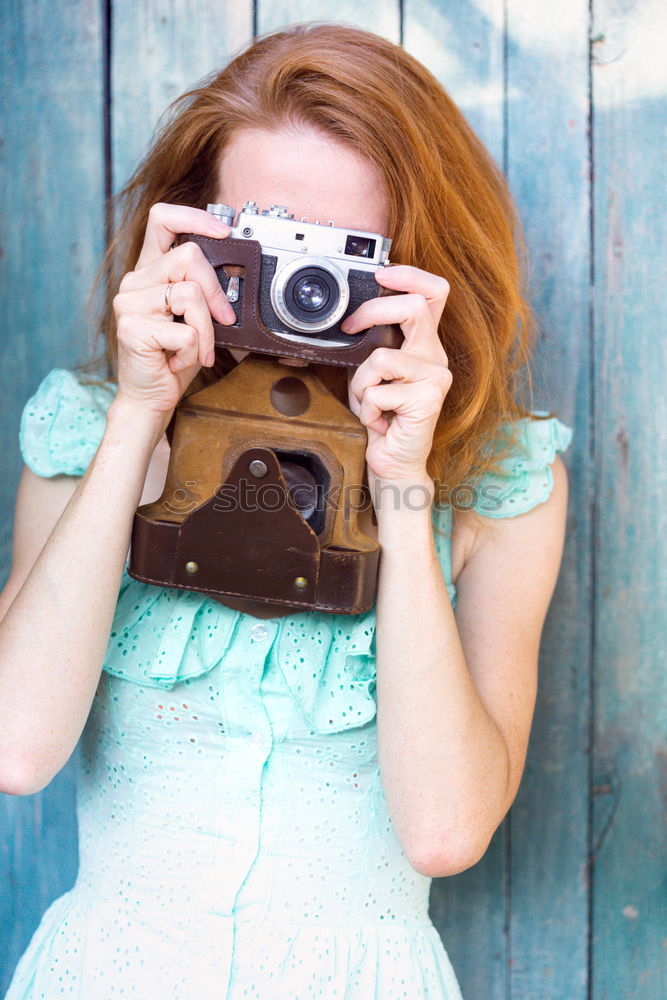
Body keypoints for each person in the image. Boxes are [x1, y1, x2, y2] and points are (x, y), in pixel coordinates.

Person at [0, 22, 573, 1000]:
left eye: (345, 258)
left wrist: (401, 488)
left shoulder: (501, 481)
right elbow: (16, 745)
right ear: (186, 232)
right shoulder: (87, 431)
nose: (299, 289)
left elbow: (445, 828)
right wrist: (141, 415)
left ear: (420, 264)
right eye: (258, 240)